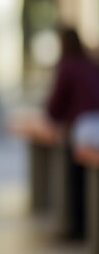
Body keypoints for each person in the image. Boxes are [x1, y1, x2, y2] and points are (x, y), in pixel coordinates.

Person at [46, 27, 99, 239]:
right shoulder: (89, 62)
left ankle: (78, 227)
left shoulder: (67, 65)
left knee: (77, 178)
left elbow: (57, 100)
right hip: (94, 121)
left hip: (83, 126)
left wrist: (52, 115)